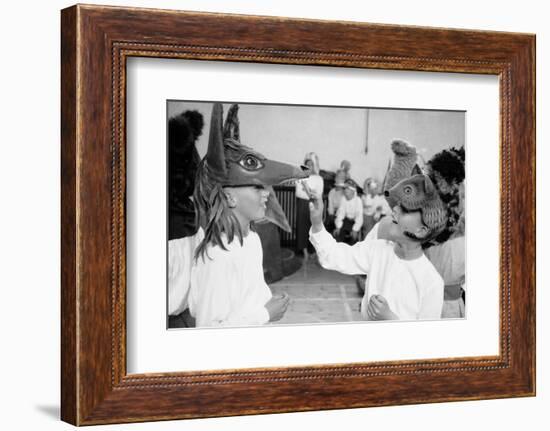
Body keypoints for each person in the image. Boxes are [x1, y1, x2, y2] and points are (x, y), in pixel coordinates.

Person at [186, 103, 308, 327]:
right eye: (257, 188)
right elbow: (209, 332)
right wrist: (265, 314)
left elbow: (251, 294)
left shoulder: (252, 239)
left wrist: (268, 302)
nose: (267, 195)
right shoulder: (217, 256)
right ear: (229, 197)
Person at [306, 174, 446, 321]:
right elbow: (333, 255)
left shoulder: (432, 282)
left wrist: (390, 318)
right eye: (398, 205)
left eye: (405, 210)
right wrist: (317, 223)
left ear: (421, 230)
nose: (395, 210)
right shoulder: (378, 250)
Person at [295, 152, 324, 259]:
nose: (309, 167)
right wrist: (310, 192)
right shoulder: (300, 177)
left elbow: (319, 193)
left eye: (312, 165)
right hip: (302, 205)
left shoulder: (319, 179)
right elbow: (298, 193)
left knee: (313, 227)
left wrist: (306, 191)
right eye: (307, 165)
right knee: (302, 227)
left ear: (314, 166)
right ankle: (305, 251)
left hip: (315, 204)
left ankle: (313, 251)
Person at [333, 179, 363, 245]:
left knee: (353, 239)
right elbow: (341, 213)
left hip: (354, 222)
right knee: (337, 235)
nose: (345, 190)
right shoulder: (343, 198)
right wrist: (338, 227)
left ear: (353, 190)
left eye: (347, 188)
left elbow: (359, 216)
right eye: (344, 188)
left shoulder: (358, 201)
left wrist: (355, 229)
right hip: (346, 220)